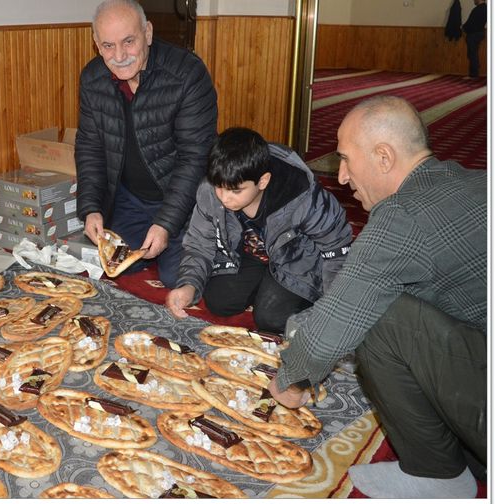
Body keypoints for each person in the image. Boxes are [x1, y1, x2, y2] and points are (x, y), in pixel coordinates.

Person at [268, 96, 486, 498]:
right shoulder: (473, 180)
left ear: (384, 157)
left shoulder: (403, 216)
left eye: (347, 159)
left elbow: (331, 329)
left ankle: (435, 475)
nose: (344, 176)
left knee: (379, 316)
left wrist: (290, 381)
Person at [75, 0, 218, 288]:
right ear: (96, 44)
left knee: (176, 277)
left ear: (148, 33)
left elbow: (195, 158)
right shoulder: (92, 79)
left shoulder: (187, 74)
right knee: (116, 265)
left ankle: (220, 235)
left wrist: (166, 223)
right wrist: (91, 207)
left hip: (185, 201)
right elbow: (90, 147)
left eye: (129, 41)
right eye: (108, 46)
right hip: (131, 199)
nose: (119, 56)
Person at [166, 128, 353, 332]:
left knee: (270, 318)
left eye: (236, 191)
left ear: (262, 181)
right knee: (219, 301)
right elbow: (199, 244)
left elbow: (337, 250)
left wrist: (332, 307)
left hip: (298, 260)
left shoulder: (302, 195)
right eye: (219, 187)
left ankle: (284, 294)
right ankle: (268, 286)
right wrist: (188, 285)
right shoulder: (212, 188)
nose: (224, 197)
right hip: (253, 255)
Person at [462, 0, 487, 78]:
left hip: (474, 34)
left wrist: (463, 28)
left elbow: (471, 23)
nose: (474, 0)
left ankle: (473, 75)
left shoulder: (477, 10)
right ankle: (474, 73)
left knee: (472, 54)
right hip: (480, 33)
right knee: (474, 54)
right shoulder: (486, 9)